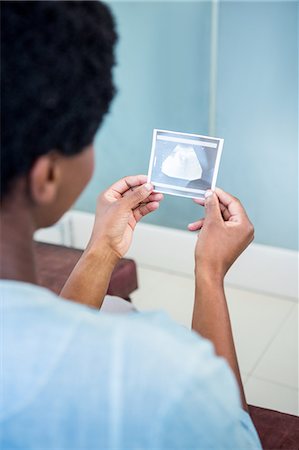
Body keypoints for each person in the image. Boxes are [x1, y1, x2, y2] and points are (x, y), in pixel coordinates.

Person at [0, 2, 261, 449]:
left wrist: (102, 248)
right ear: (47, 176)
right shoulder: (165, 376)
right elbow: (235, 438)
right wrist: (209, 273)